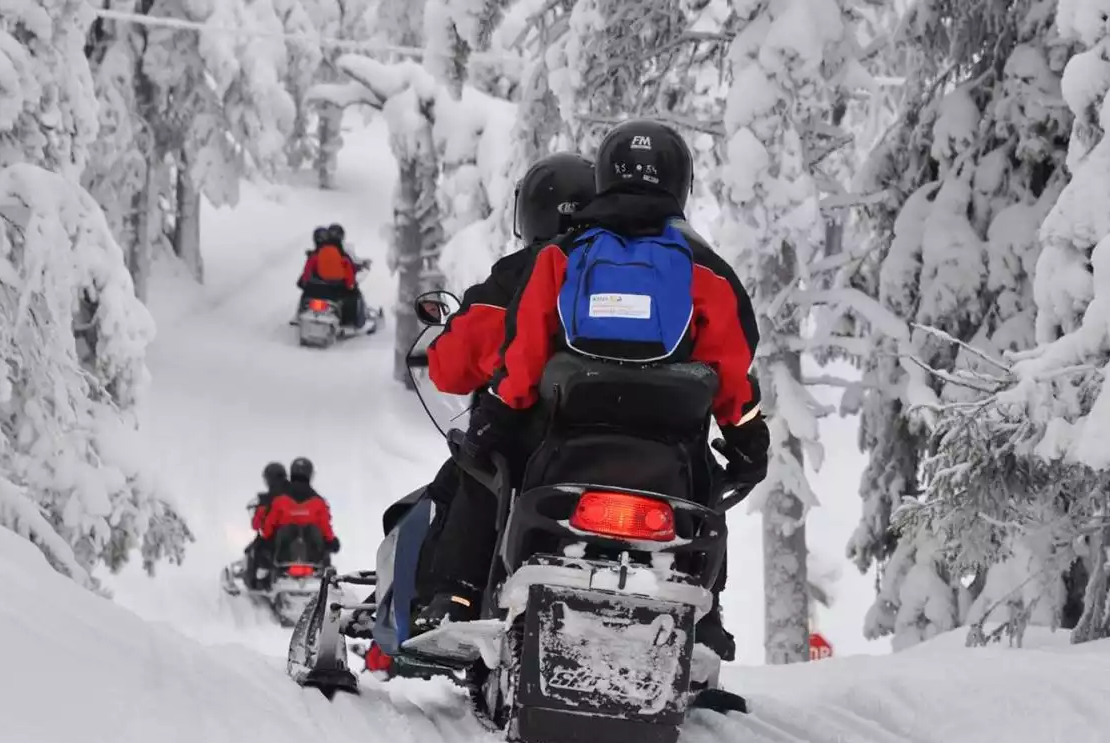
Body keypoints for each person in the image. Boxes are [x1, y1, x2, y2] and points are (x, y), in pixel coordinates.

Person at [425, 120, 772, 660]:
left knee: (481, 470)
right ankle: (704, 625)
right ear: (682, 184)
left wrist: (496, 415)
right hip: (668, 460)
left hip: (564, 447)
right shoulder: (708, 273)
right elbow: (732, 373)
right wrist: (750, 442)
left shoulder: (559, 259)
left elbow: (524, 353)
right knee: (705, 486)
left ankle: (457, 597)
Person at [410, 152, 596, 630]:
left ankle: (455, 596)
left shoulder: (515, 277)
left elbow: (450, 370)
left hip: (535, 442)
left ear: (532, 211)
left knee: (470, 472)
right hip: (632, 445)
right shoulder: (631, 269)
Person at [259, 457, 340, 585]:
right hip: (313, 556)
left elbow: (269, 525)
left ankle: (264, 577)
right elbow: (326, 528)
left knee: (268, 544)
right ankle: (328, 579)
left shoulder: (280, 500)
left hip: (283, 554)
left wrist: (265, 540)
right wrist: (331, 541)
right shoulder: (319, 502)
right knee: (324, 544)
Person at [297, 227, 363, 328]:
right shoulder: (342, 256)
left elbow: (307, 272)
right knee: (354, 297)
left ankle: (300, 314)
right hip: (335, 292)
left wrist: (304, 283)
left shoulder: (315, 255)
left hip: (315, 291)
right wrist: (351, 286)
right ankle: (350, 322)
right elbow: (349, 276)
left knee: (305, 295)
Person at [242, 462, 290, 590]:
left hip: (275, 540)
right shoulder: (297, 494)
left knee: (254, 549)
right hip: (300, 539)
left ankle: (259, 580)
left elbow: (257, 525)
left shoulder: (266, 499)